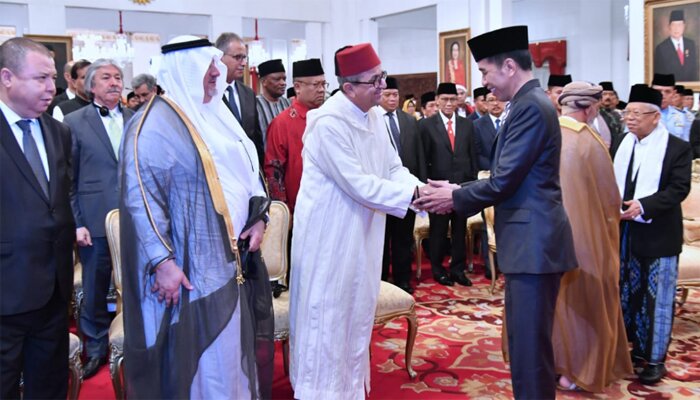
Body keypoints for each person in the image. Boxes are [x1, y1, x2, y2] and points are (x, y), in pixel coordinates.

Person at [414, 25, 577, 399]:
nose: (485, 83)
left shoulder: (530, 108)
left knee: (530, 351)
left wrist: (454, 197)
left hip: (534, 245)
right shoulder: (526, 104)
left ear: (508, 66)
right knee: (526, 344)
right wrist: (457, 190)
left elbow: (503, 181)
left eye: (485, 73)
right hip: (529, 244)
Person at [119, 35, 273, 398]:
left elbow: (252, 172)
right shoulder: (152, 125)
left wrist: (258, 216)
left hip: (233, 262)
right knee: (204, 359)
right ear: (184, 71)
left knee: (231, 353)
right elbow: (141, 199)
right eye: (207, 70)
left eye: (215, 69)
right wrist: (163, 262)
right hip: (188, 269)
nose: (215, 77)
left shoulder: (219, 115)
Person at [289, 43, 425, 399]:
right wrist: (413, 198)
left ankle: (349, 391)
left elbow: (392, 168)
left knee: (355, 316)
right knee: (328, 319)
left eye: (382, 77)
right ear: (348, 87)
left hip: (361, 234)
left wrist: (421, 190)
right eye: (374, 81)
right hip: (329, 241)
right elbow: (359, 184)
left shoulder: (374, 116)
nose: (383, 86)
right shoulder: (327, 123)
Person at [0, 37, 75, 399]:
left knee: (49, 386)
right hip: (5, 292)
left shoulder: (58, 132)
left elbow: (59, 201)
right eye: (41, 78)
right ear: (7, 77)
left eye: (52, 79)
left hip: (54, 291)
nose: (52, 88)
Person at [552, 81, 633, 392]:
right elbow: (609, 198)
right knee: (588, 299)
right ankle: (577, 370)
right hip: (585, 237)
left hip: (546, 237)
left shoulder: (545, 133)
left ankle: (552, 362)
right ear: (589, 108)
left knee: (554, 300)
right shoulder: (589, 141)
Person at [612, 83, 691, 385]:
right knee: (628, 295)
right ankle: (634, 349)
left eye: (637, 114)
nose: (630, 119)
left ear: (656, 117)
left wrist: (643, 206)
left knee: (656, 299)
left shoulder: (676, 148)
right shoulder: (622, 142)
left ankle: (656, 359)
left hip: (658, 235)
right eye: (627, 113)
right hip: (625, 234)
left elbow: (678, 189)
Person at [64, 58, 134, 379]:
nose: (114, 82)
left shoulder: (136, 119)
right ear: (91, 86)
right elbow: (68, 179)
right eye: (106, 77)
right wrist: (77, 222)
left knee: (136, 284)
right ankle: (94, 349)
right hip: (93, 220)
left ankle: (135, 342)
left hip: (134, 220)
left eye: (118, 77)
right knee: (94, 289)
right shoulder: (74, 122)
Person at [420, 82, 476, 287]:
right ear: (437, 100)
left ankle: (458, 270)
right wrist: (426, 188)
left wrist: (472, 183)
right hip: (438, 188)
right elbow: (423, 157)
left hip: (462, 188)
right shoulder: (426, 125)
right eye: (444, 99)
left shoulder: (467, 124)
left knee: (460, 230)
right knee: (438, 231)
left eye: (453, 99)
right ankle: (438, 269)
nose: (449, 103)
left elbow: (473, 156)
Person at [378, 76, 427, 294]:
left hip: (407, 190)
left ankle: (403, 279)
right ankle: (381, 281)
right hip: (381, 192)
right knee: (381, 239)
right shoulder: (373, 121)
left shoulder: (408, 121)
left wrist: (421, 188)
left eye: (395, 95)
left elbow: (419, 154)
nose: (391, 99)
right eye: (387, 94)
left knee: (403, 238)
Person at [264, 58, 325, 215]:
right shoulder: (282, 123)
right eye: (315, 85)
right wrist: (283, 212)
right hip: (298, 210)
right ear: (297, 87)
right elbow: (273, 171)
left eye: (324, 84)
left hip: (328, 206)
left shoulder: (328, 118)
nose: (321, 90)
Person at [215, 32, 265, 166]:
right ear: (220, 57)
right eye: (238, 57)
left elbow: (256, 138)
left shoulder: (248, 93)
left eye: (245, 58)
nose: (243, 63)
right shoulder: (210, 93)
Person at [653, 9, 698, 82]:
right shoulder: (661, 48)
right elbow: (659, 76)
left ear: (684, 26)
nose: (676, 28)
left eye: (679, 25)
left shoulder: (690, 44)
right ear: (669, 27)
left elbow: (694, 71)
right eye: (673, 25)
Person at [256, 59, 291, 147]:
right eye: (277, 79)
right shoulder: (254, 105)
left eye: (284, 79)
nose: (283, 83)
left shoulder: (289, 104)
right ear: (264, 82)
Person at [652, 73, 690, 142]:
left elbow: (687, 143)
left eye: (667, 91)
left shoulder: (682, 116)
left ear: (673, 93)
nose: (662, 95)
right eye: (658, 91)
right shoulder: (641, 115)